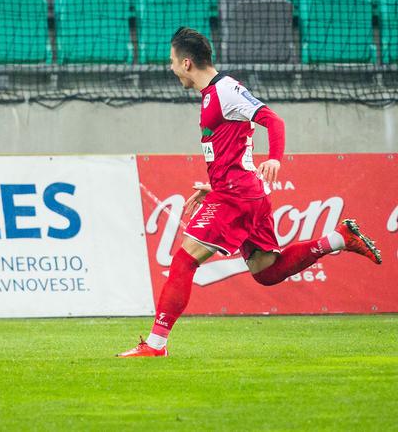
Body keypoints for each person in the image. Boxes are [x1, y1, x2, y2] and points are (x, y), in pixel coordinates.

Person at [117, 28, 382, 358]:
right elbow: (235, 148)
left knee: (184, 261)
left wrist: (273, 158)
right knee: (266, 271)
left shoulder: (225, 90)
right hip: (239, 193)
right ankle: (338, 239)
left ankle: (155, 345)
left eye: (172, 62)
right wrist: (213, 185)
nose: (170, 68)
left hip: (236, 198)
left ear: (186, 63)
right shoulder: (211, 95)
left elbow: (273, 120)